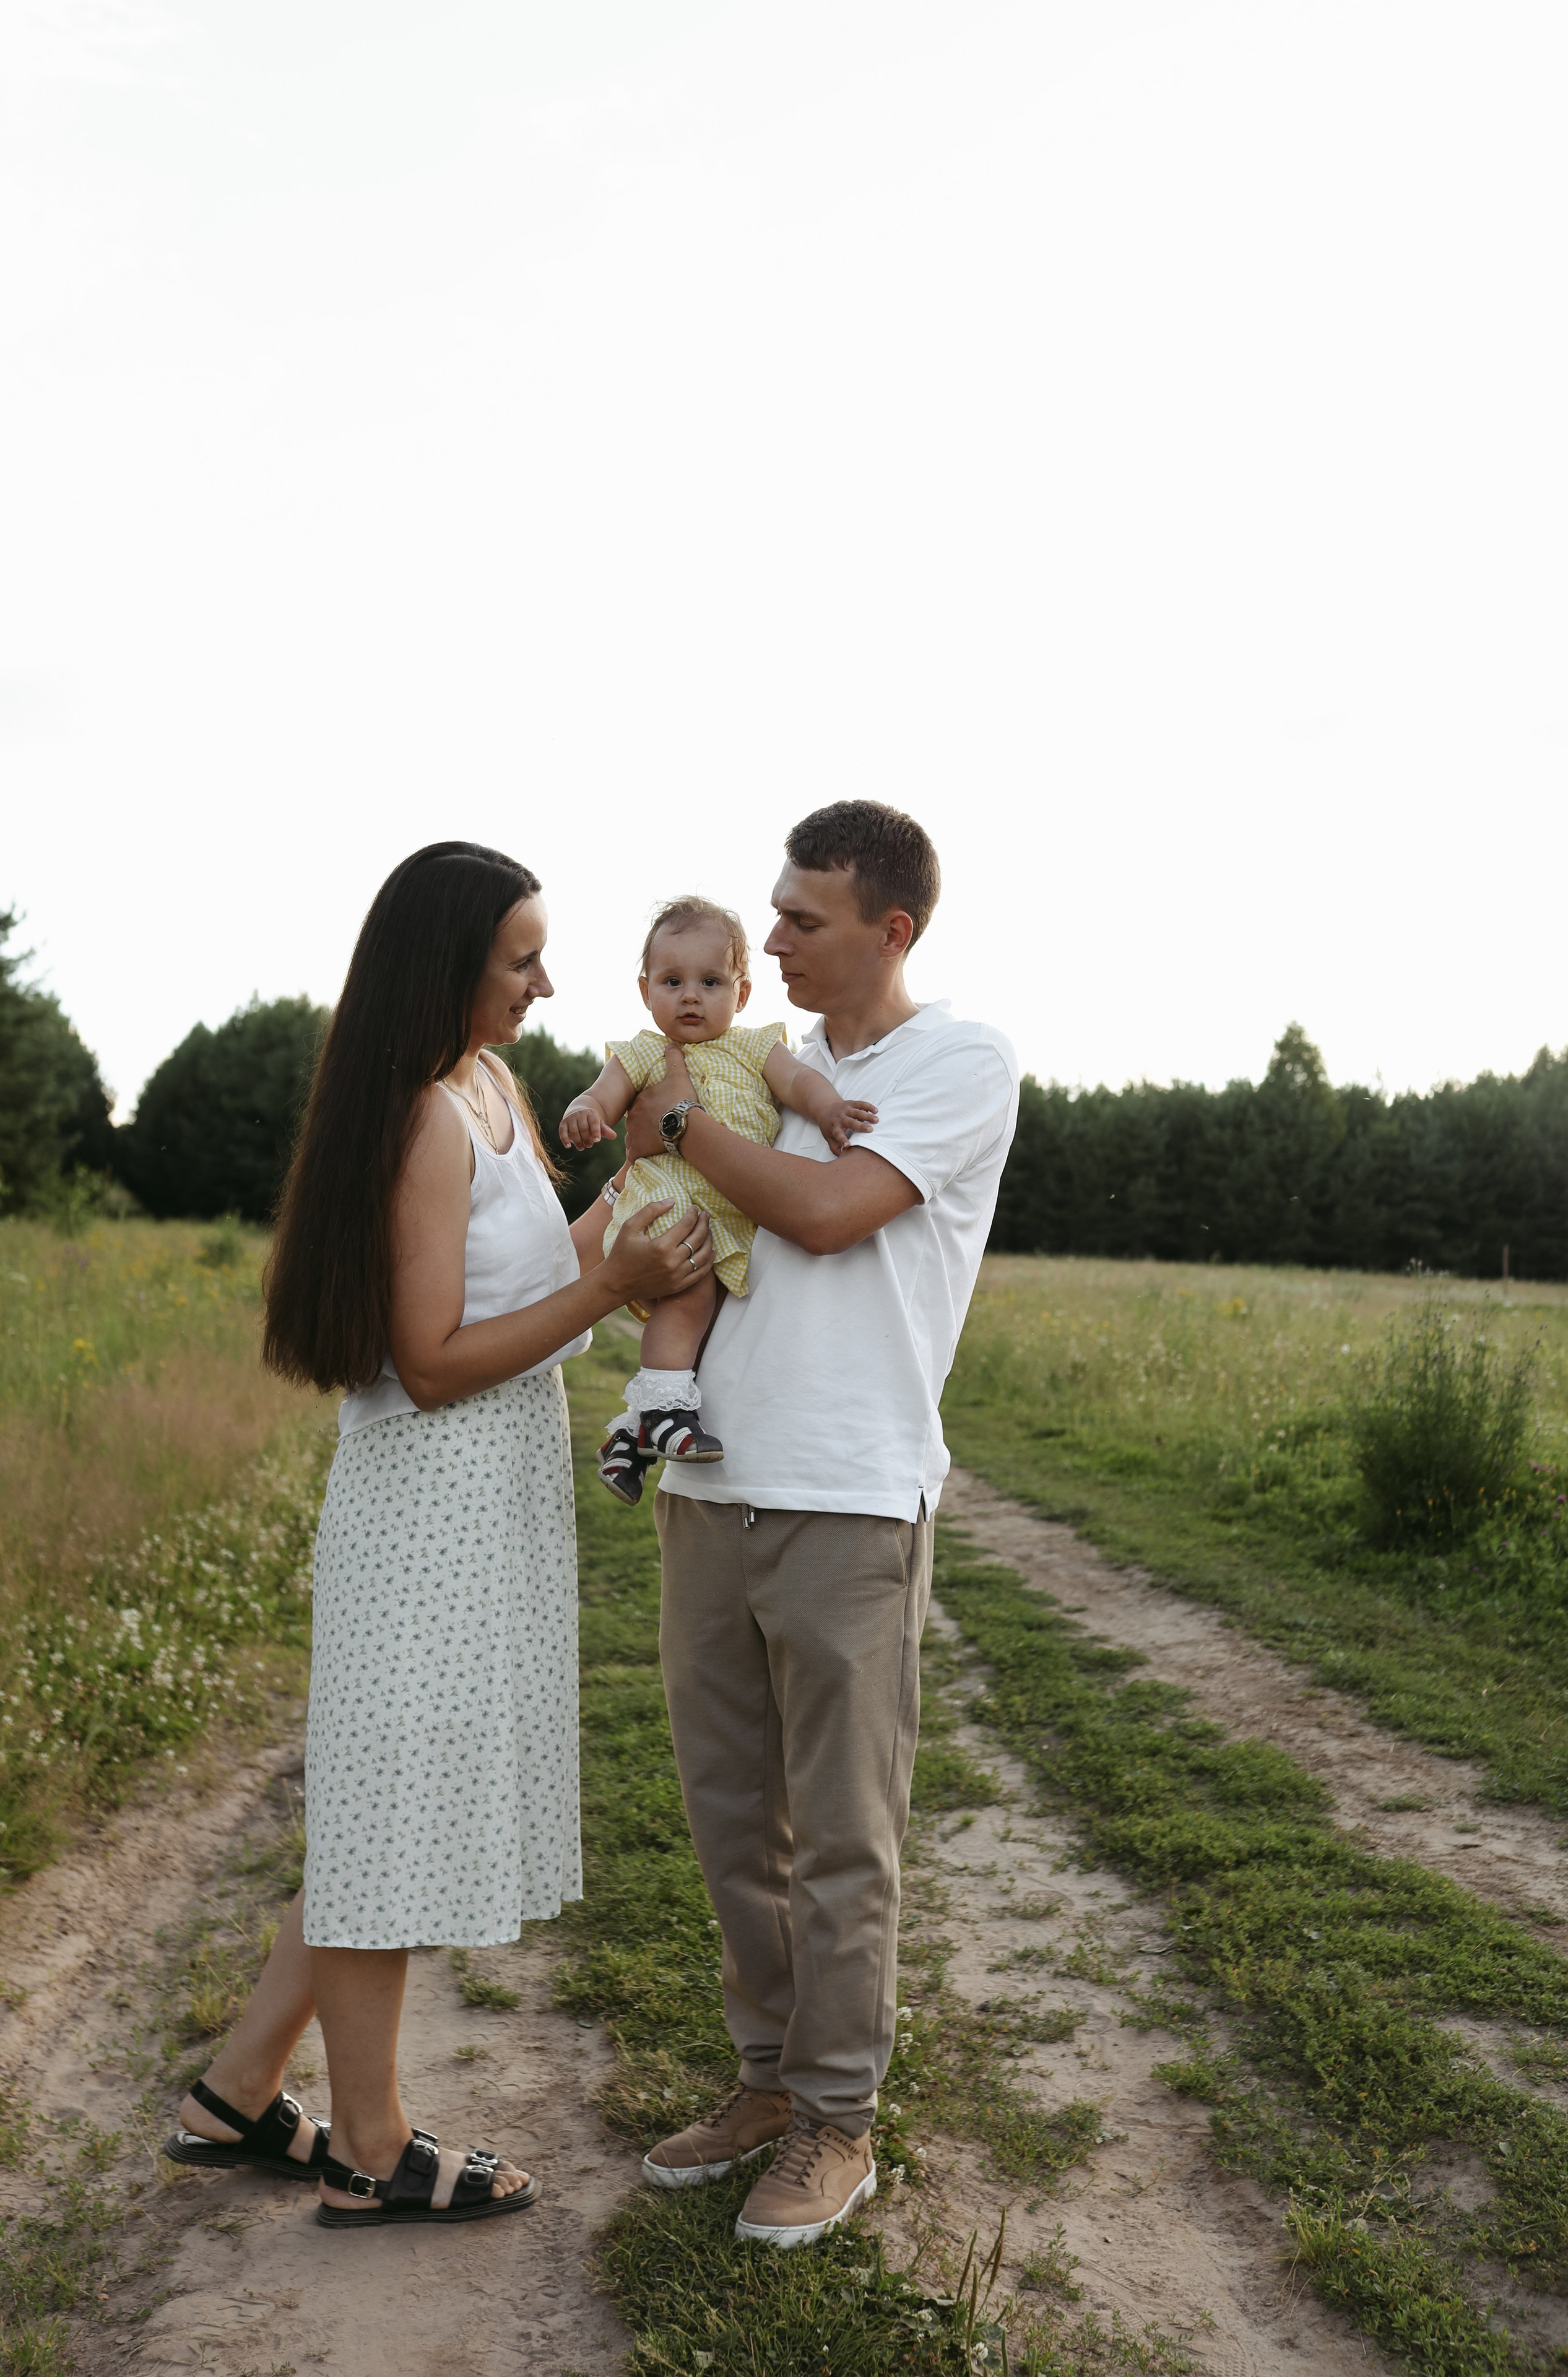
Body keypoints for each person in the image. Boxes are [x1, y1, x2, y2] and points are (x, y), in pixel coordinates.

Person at [163, 840, 710, 2228]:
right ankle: (369, 2146)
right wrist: (609, 1299)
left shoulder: (494, 1085)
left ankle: (233, 2097)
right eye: (518, 957)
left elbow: (541, 1261)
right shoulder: (418, 1116)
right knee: (386, 1816)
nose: (543, 980)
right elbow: (430, 1361)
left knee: (375, 1810)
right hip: (427, 1504)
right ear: (447, 966)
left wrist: (633, 1202)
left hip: (493, 1498)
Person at [630, 800, 1018, 2248]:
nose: (770, 934)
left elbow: (825, 1209)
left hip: (851, 1495)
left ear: (889, 929)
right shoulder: (745, 1058)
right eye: (772, 911)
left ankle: (837, 2118)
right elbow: (679, 1203)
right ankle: (761, 2083)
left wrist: (680, 1121)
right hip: (708, 1482)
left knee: (843, 1835)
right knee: (734, 1820)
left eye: (802, 917)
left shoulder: (957, 1059)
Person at [560, 894, 877, 1505]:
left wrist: (830, 1109)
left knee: (713, 1333)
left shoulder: (756, 1048)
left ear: (743, 994)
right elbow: (602, 1094)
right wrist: (584, 1113)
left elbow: (802, 1082)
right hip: (664, 1206)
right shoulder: (645, 1052)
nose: (689, 996)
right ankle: (662, 1420)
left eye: (710, 982)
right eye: (671, 981)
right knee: (690, 1300)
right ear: (644, 990)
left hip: (726, 1214)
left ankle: (630, 1436)